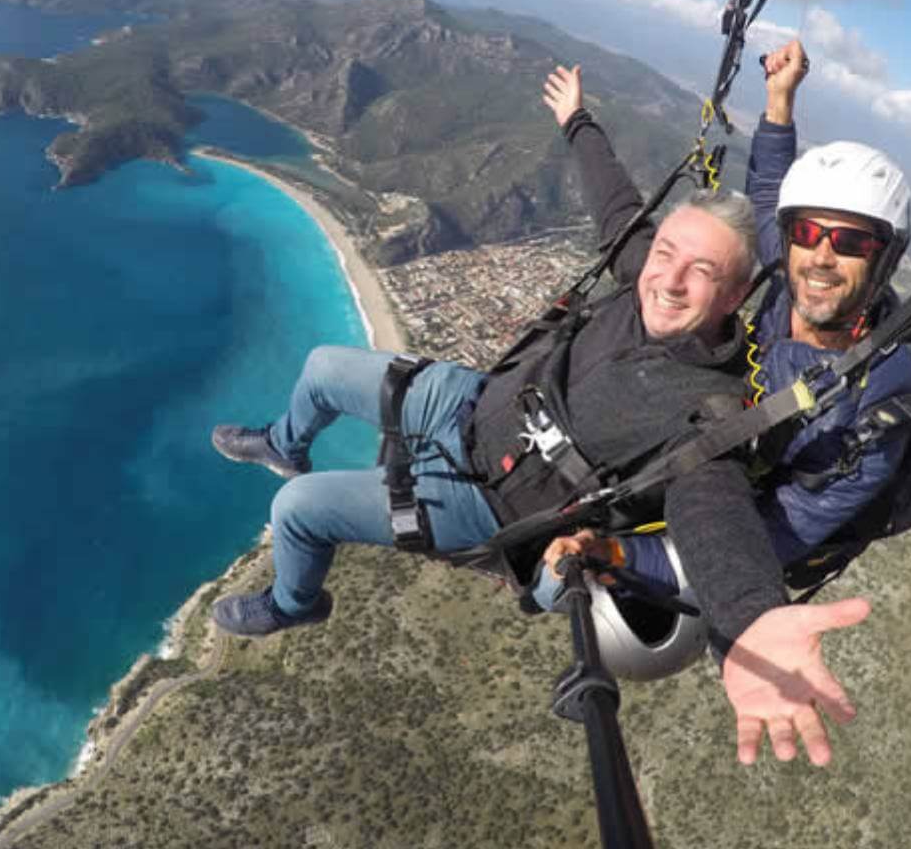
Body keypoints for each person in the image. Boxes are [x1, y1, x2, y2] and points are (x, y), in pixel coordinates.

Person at [206, 57, 871, 765]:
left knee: (299, 511)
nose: (669, 278)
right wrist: (578, 120)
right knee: (321, 368)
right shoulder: (644, 272)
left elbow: (714, 516)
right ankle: (284, 441)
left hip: (492, 502)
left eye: (701, 273)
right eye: (667, 253)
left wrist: (749, 621)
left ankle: (292, 602)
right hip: (477, 404)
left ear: (736, 297)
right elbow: (618, 204)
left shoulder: (710, 410)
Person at [539, 39, 911, 608]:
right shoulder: (792, 267)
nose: (820, 256)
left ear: (885, 258)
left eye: (850, 242)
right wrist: (779, 99)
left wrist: (616, 555)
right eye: (809, 234)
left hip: (697, 522)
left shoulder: (870, 424)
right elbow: (770, 190)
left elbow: (757, 544)